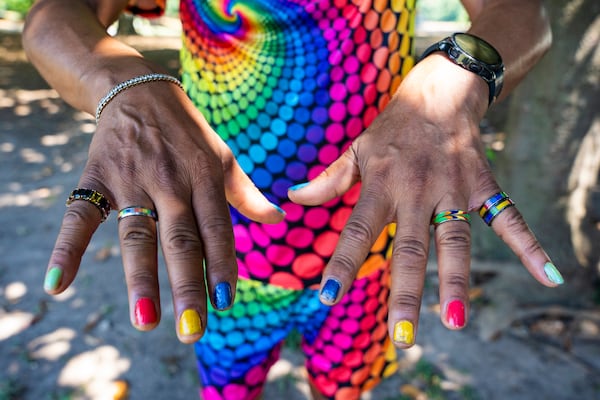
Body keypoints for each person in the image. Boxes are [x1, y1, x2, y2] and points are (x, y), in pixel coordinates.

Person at [23, 0, 561, 399]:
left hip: (368, 249)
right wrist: (120, 82)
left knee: (346, 390)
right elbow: (56, 15)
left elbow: (521, 12)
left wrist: (457, 78)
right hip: (224, 253)